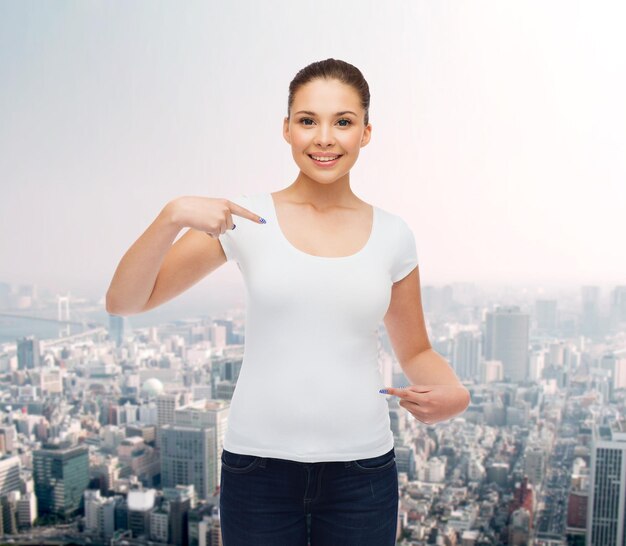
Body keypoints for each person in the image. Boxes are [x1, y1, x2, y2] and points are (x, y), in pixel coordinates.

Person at [106, 58, 470, 546]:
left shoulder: (393, 235)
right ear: (287, 129)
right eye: (307, 121)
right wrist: (171, 216)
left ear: (365, 132)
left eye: (342, 122)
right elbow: (125, 301)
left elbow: (416, 351)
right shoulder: (245, 218)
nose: (324, 138)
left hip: (362, 472)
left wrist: (455, 393)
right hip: (258, 470)